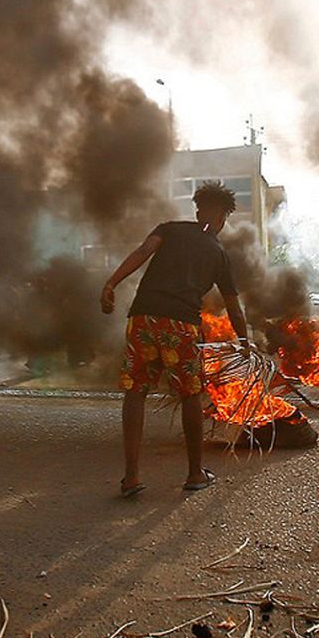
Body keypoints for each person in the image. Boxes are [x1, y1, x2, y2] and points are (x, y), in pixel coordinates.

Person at [101, 180, 248, 496]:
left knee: (136, 391)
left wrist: (111, 283)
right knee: (190, 395)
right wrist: (245, 341)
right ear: (223, 217)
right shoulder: (219, 254)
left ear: (198, 211)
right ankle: (195, 474)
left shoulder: (168, 229)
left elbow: (142, 252)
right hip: (181, 326)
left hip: (143, 318)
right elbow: (234, 308)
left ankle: (131, 478)